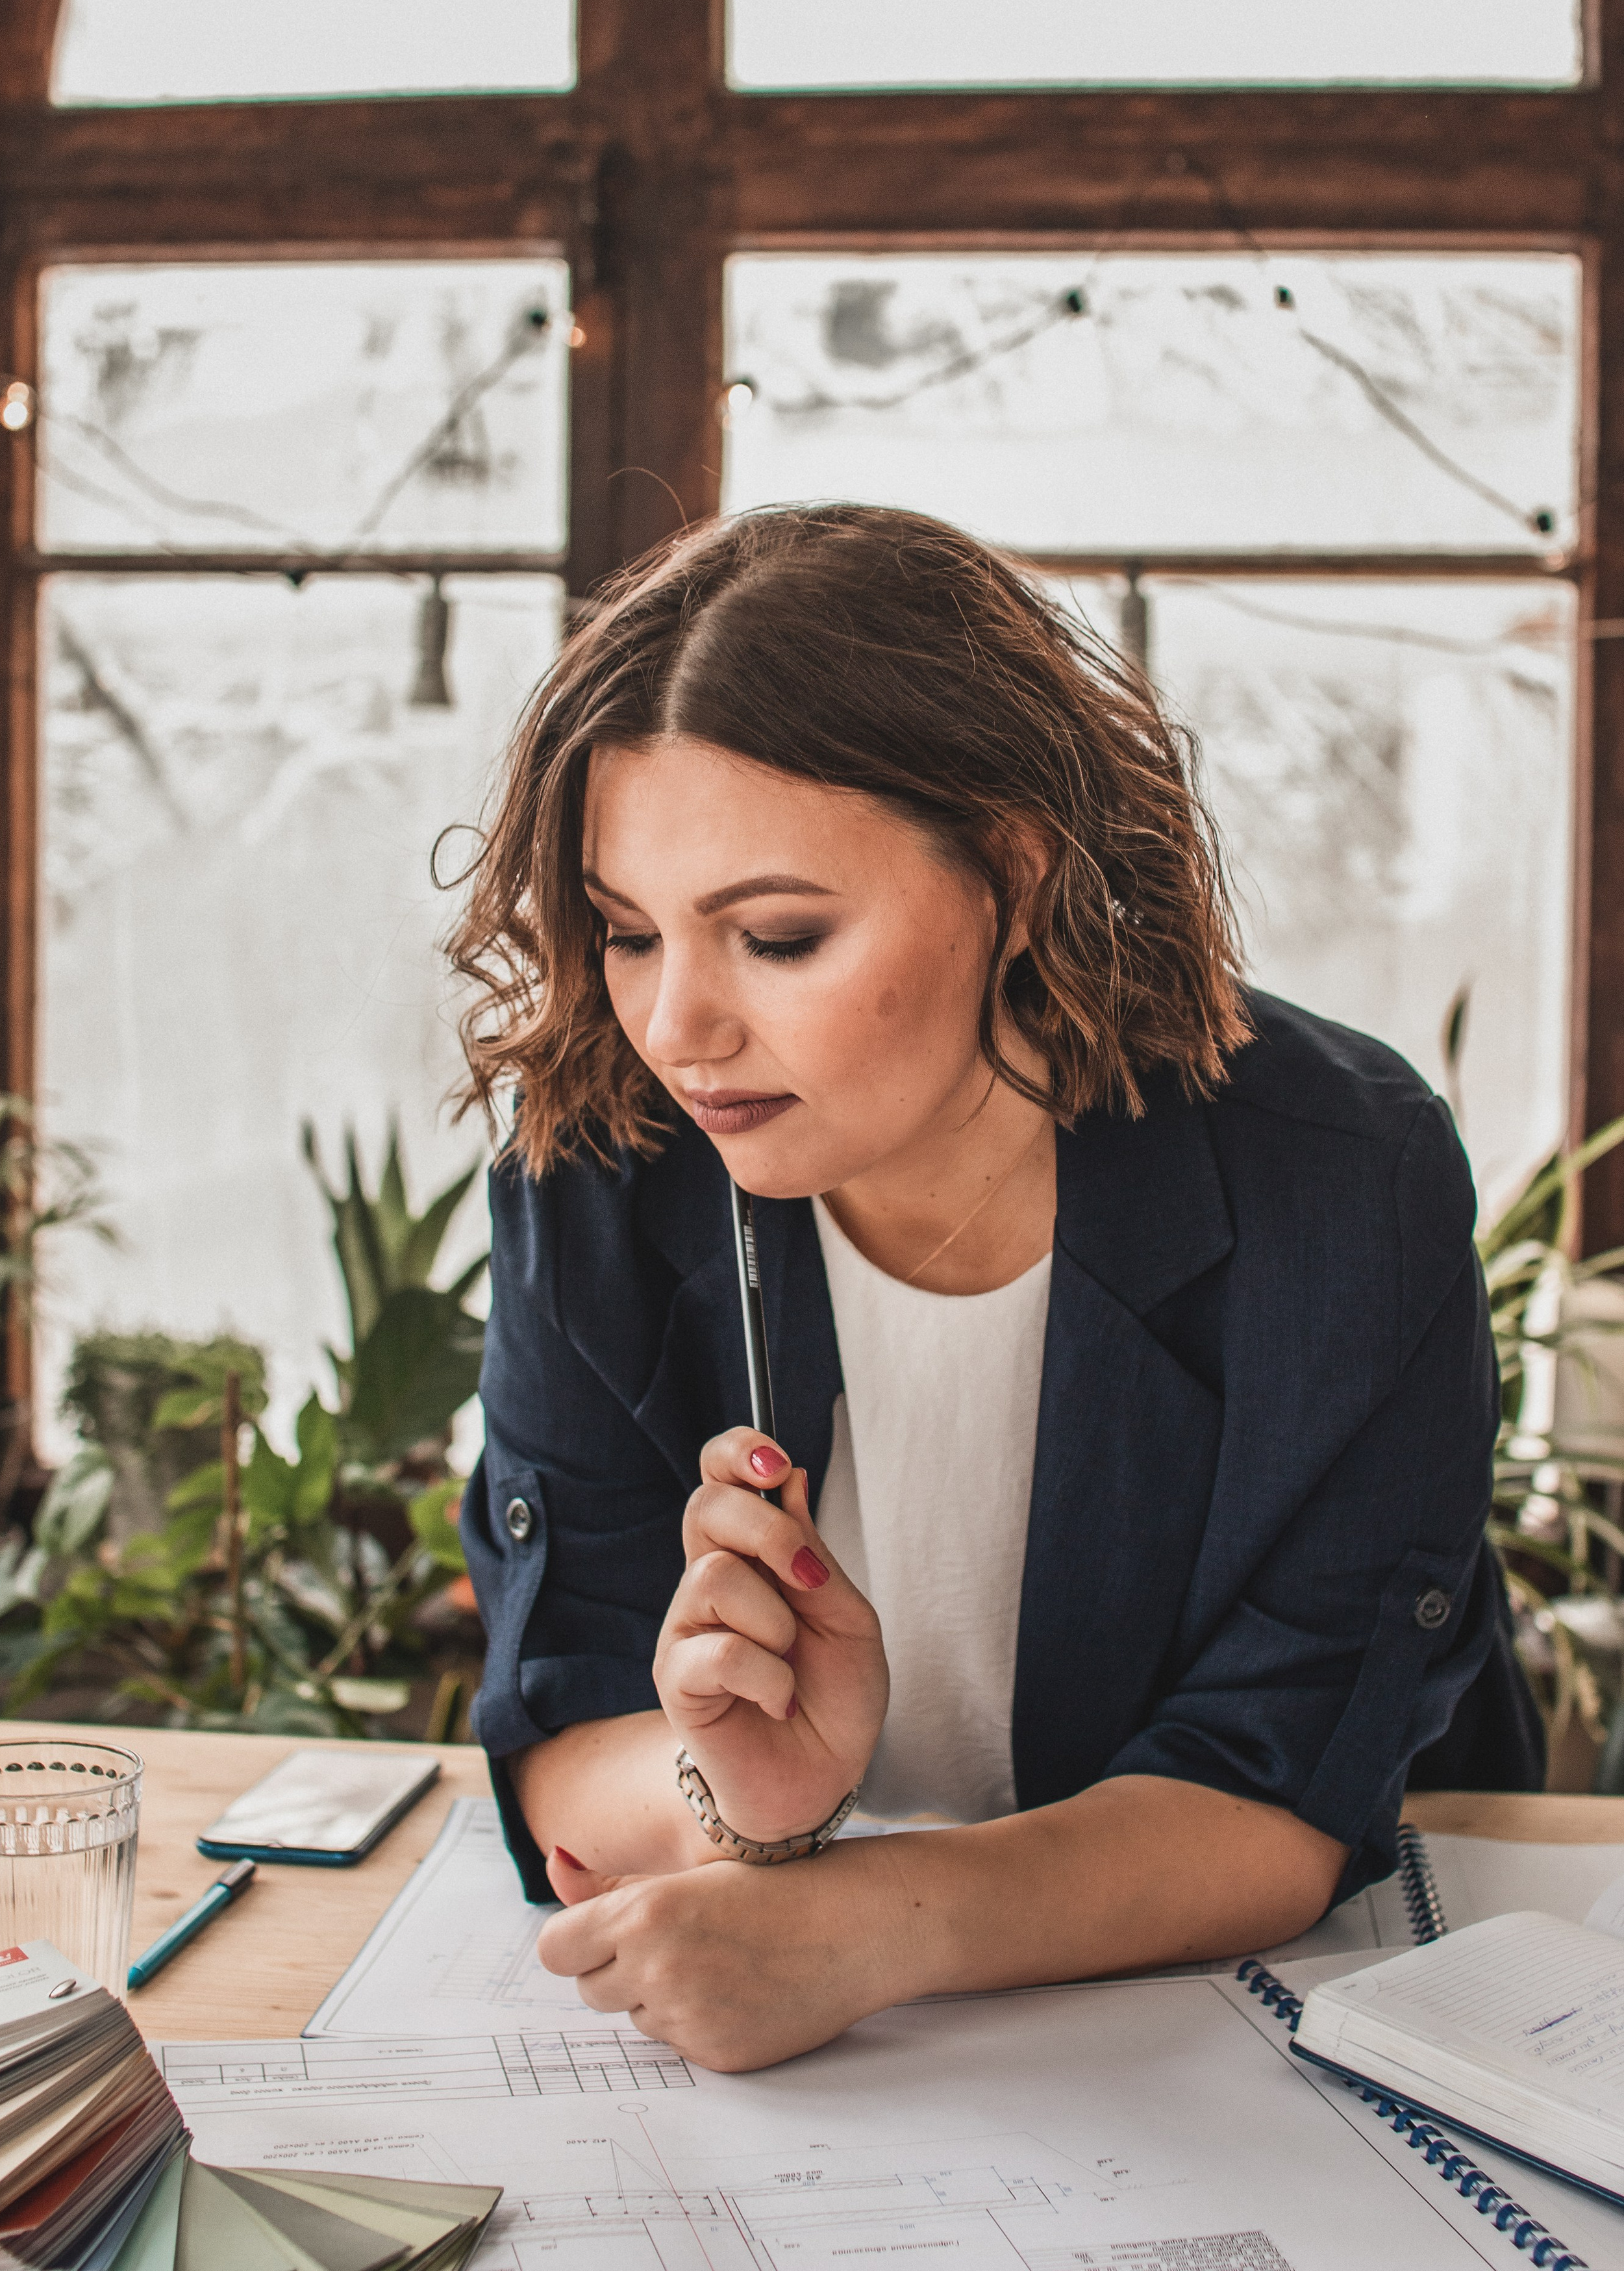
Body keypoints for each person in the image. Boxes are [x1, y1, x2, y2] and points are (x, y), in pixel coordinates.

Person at [451, 502, 1541, 2075]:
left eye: (774, 936)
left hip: (1300, 2032)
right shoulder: (598, 1166)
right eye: (626, 934)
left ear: (1012, 875)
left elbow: (1268, 1790)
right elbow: (562, 1731)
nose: (675, 1026)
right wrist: (739, 1801)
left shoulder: (1336, 1178)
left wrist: (870, 1921)